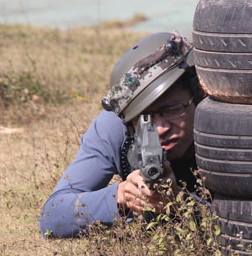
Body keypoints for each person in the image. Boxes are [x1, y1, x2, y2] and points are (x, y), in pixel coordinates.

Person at [40, 31, 203, 238]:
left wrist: (182, 201)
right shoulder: (115, 127)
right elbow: (53, 216)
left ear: (199, 95)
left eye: (172, 110)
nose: (161, 128)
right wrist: (121, 196)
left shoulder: (232, 127)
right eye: (144, 117)